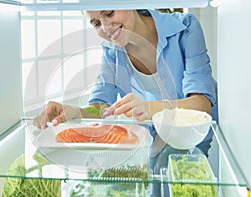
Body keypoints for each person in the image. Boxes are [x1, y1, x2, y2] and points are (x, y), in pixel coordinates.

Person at [33, 9, 218, 195]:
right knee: (152, 190)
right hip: (152, 141)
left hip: (193, 137)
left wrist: (149, 108)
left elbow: (201, 103)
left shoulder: (185, 28)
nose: (105, 28)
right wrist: (76, 112)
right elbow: (102, 106)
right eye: (96, 23)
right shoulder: (112, 50)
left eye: (110, 13)